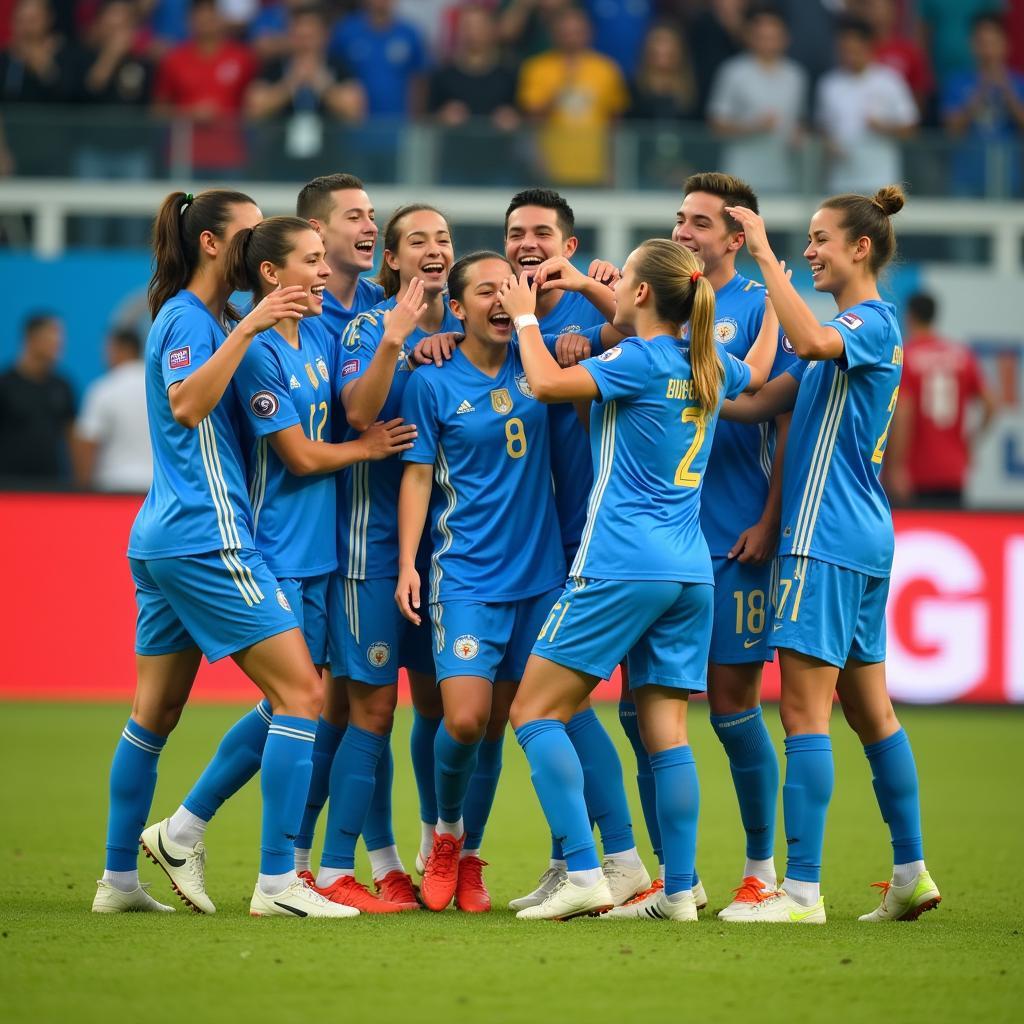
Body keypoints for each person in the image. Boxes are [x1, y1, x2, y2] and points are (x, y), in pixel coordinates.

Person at [138, 215, 418, 916]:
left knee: (289, 704)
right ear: (272, 274)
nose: (326, 272)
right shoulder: (258, 349)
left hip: (319, 552)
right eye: (313, 259)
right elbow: (296, 456)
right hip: (276, 548)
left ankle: (186, 828)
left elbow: (360, 372)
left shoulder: (318, 331)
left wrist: (417, 334)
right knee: (300, 701)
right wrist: (367, 450)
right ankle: (275, 878)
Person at [91, 188, 355, 919]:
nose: (258, 244)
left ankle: (119, 881)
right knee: (303, 694)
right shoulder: (188, 319)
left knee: (156, 710)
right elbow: (186, 404)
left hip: (162, 537)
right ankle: (278, 883)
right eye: (248, 235)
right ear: (214, 245)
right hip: (207, 535)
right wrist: (248, 332)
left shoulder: (214, 319)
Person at [505, 238, 778, 921]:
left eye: (624, 277)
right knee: (668, 731)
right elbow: (762, 368)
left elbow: (542, 383)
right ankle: (679, 892)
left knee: (534, 711)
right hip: (691, 572)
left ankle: (582, 871)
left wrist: (524, 319)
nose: (616, 286)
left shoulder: (636, 359)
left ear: (645, 294)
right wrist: (776, 299)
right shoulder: (708, 363)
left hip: (621, 563)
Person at [413, 189, 649, 913]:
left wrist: (599, 318)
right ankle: (533, 854)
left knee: (566, 713)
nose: (525, 245)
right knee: (483, 717)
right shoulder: (471, 351)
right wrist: (435, 333)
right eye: (514, 233)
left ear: (569, 247)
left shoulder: (591, 306)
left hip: (584, 544)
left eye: (541, 233)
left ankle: (607, 863)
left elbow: (655, 330)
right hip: (499, 558)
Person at [721, 186, 942, 923]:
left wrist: (761, 256)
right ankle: (910, 871)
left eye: (819, 240)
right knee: (869, 711)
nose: (807, 251)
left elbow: (812, 341)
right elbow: (753, 401)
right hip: (859, 537)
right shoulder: (840, 338)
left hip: (824, 540)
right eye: (803, 241)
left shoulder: (869, 323)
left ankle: (802, 890)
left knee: (803, 715)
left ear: (861, 248)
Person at [396, 250, 567, 913]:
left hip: (540, 577)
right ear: (457, 307)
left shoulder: (540, 360)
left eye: (510, 287)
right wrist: (408, 563)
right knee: (463, 720)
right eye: (486, 290)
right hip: (464, 574)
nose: (502, 298)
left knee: (496, 727)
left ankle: (470, 858)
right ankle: (443, 835)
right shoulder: (432, 380)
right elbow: (416, 475)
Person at [319, 204, 463, 908]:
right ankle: (346, 865)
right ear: (395, 263)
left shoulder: (470, 335)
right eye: (417, 240)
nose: (433, 248)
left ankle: (436, 846)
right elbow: (356, 412)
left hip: (451, 557)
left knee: (438, 707)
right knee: (368, 713)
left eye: (442, 238)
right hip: (370, 550)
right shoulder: (369, 326)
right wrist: (396, 342)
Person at [885, 292, 997, 507]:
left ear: (910, 317)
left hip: (917, 472)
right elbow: (991, 404)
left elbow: (903, 415)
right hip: (953, 470)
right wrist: (970, 441)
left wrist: (897, 467)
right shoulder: (961, 355)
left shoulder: (906, 356)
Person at [245, 5, 365, 176]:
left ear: (324, 37)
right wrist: (290, 83)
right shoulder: (274, 68)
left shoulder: (339, 67)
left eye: (310, 37)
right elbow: (253, 111)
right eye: (299, 37)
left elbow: (355, 112)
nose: (305, 44)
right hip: (278, 163)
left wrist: (321, 83)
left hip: (330, 164)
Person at [516, 7, 629, 186]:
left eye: (577, 32)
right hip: (550, 169)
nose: (571, 38)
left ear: (589, 33)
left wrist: (614, 167)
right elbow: (531, 120)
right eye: (565, 32)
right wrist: (561, 88)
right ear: (554, 34)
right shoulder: (537, 68)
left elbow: (615, 122)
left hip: (595, 169)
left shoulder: (606, 69)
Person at [707, 6, 807, 195]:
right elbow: (716, 125)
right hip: (740, 175)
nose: (768, 42)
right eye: (762, 36)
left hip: (783, 176)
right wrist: (753, 127)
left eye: (774, 36)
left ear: (786, 38)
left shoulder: (796, 76)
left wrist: (799, 135)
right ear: (749, 37)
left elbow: (799, 122)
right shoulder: (732, 72)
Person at [152, 0, 257, 177]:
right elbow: (158, 111)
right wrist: (190, 114)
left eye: (211, 16)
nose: (206, 22)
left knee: (227, 205)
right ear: (189, 20)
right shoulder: (174, 59)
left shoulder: (242, 58)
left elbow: (253, 107)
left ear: (221, 19)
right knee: (187, 205)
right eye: (200, 16)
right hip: (184, 156)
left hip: (229, 156)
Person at [815, 16, 918, 194]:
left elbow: (911, 128)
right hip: (840, 183)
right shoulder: (829, 84)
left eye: (854, 50)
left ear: (869, 47)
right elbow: (822, 128)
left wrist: (883, 127)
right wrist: (829, 144)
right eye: (844, 50)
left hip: (881, 183)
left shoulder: (890, 80)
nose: (849, 56)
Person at [941, 13, 1024, 198]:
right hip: (966, 176)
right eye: (982, 43)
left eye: (993, 43)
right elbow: (952, 129)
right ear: (972, 45)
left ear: (1005, 45)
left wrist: (1008, 91)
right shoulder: (956, 81)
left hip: (1009, 176)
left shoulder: (1019, 83)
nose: (988, 50)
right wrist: (981, 90)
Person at [71, 327, 151, 493]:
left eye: (108, 349)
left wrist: (82, 490)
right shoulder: (161, 387)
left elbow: (87, 442)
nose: (105, 355)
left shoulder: (103, 389)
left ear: (121, 349)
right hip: (156, 488)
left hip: (113, 489)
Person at [0, 312, 75, 484]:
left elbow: (71, 436)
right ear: (31, 338)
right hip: (9, 487)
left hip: (51, 486)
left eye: (60, 335)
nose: (59, 341)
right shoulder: (5, 385)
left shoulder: (62, 386)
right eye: (52, 334)